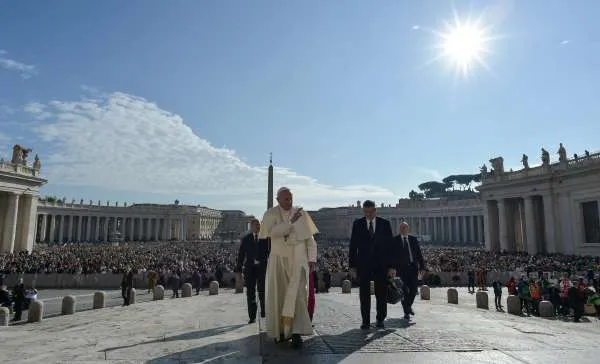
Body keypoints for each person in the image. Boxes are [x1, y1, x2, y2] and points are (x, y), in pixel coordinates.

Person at [259, 187, 318, 348]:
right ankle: (281, 331)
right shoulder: (270, 214)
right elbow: (271, 233)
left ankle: (297, 332)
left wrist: (312, 258)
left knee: (298, 296)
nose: (289, 201)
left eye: (290, 198)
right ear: (278, 200)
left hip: (299, 260)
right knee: (280, 295)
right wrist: (290, 223)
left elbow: (310, 239)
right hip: (279, 260)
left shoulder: (301, 213)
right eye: (285, 199)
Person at [349, 200, 395, 329]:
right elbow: (353, 245)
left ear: (375, 210)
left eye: (370, 211)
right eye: (366, 212)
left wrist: (391, 266)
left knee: (381, 292)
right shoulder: (357, 224)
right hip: (363, 263)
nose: (368, 214)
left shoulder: (385, 224)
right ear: (363, 211)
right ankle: (365, 321)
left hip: (381, 264)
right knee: (364, 293)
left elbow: (390, 246)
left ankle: (380, 318)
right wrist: (352, 266)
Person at [236, 219, 270, 324]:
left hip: (262, 268)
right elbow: (241, 255)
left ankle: (264, 311)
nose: (257, 226)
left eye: (258, 225)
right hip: (250, 269)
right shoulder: (246, 239)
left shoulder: (266, 238)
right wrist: (239, 269)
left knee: (262, 291)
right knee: (250, 293)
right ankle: (252, 316)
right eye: (255, 225)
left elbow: (270, 253)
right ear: (251, 227)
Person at [392, 222, 426, 320]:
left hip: (413, 268)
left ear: (408, 229)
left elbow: (419, 254)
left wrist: (422, 267)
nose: (403, 229)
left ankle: (408, 306)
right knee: (404, 291)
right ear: (399, 229)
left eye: (405, 227)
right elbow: (392, 256)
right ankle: (406, 311)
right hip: (400, 269)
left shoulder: (413, 239)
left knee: (414, 289)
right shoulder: (395, 240)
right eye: (401, 228)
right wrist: (392, 267)